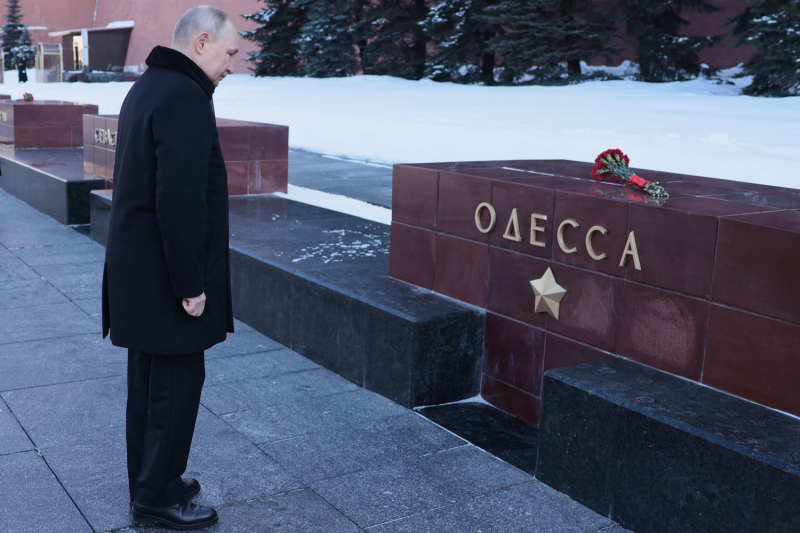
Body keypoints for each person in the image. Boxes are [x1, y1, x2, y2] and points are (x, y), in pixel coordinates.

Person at [101, 5, 238, 530]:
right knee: (177, 385)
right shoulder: (184, 96)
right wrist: (191, 284)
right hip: (167, 279)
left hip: (138, 273)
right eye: (229, 53)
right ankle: (157, 497)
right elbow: (178, 199)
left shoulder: (150, 86)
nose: (232, 65)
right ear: (201, 42)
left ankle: (153, 479)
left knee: (149, 386)